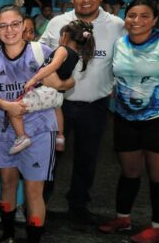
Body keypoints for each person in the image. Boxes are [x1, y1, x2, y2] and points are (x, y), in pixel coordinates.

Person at [98, 0, 159, 243]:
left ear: (154, 19)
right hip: (125, 117)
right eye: (132, 15)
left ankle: (158, 227)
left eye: (144, 16)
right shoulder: (119, 44)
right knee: (129, 172)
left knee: (158, 175)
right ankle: (123, 218)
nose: (137, 21)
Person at [0, 5, 60, 243]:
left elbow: (64, 82)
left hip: (37, 131)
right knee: (7, 183)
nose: (9, 30)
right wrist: (5, 105)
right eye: (3, 26)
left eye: (15, 24)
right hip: (4, 129)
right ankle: (8, 235)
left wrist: (56, 87)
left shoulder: (41, 52)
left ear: (24, 25)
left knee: (34, 191)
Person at [40, 0, 126, 222]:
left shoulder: (117, 26)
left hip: (96, 106)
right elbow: (41, 54)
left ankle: (78, 206)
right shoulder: (58, 23)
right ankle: (39, 204)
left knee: (87, 159)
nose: (85, 0)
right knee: (49, 157)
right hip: (58, 105)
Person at [7, 20, 95, 156]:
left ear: (64, 36)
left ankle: (22, 137)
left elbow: (52, 66)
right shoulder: (76, 56)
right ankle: (60, 136)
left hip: (45, 92)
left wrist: (34, 78)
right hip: (57, 96)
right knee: (57, 110)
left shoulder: (62, 49)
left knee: (13, 110)